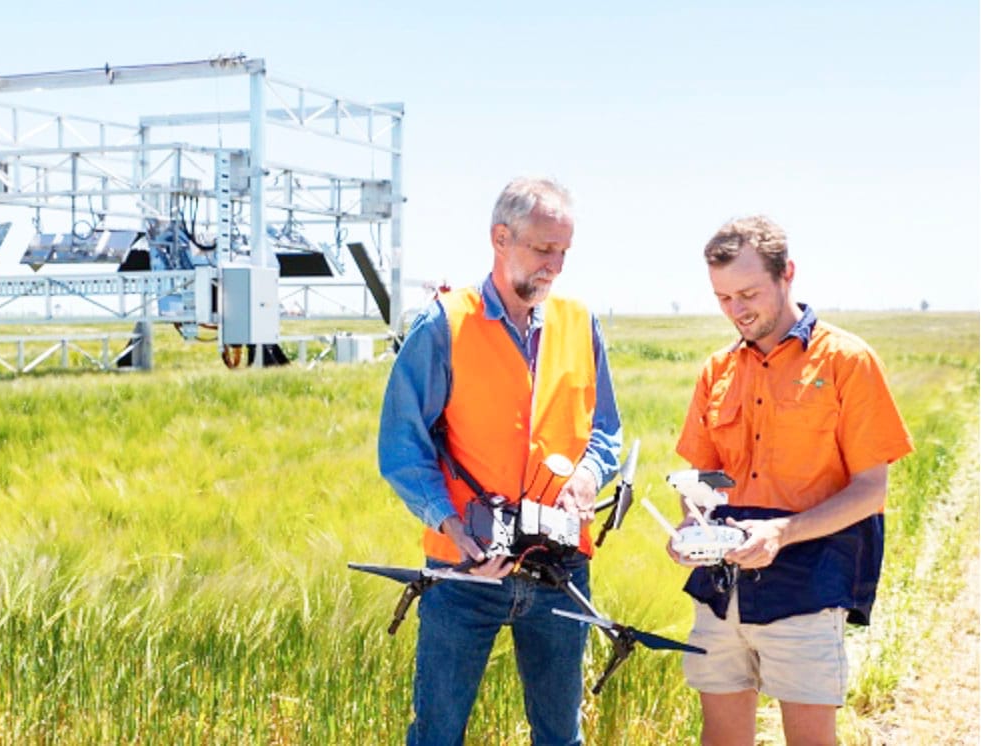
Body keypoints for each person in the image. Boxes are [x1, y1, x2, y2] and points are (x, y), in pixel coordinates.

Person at [378, 177, 623, 746]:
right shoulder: (443, 324)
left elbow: (606, 430)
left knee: (560, 738)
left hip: (561, 575)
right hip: (463, 576)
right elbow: (401, 444)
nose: (555, 265)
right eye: (543, 249)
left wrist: (588, 475)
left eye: (564, 252)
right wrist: (450, 523)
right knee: (437, 735)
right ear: (500, 237)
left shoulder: (580, 323)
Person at [670, 215, 914, 746]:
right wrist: (689, 529)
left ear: (788, 275)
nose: (736, 311)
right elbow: (703, 483)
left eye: (749, 293)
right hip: (721, 588)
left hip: (810, 582)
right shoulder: (716, 370)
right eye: (723, 298)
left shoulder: (848, 360)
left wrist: (781, 533)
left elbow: (872, 489)